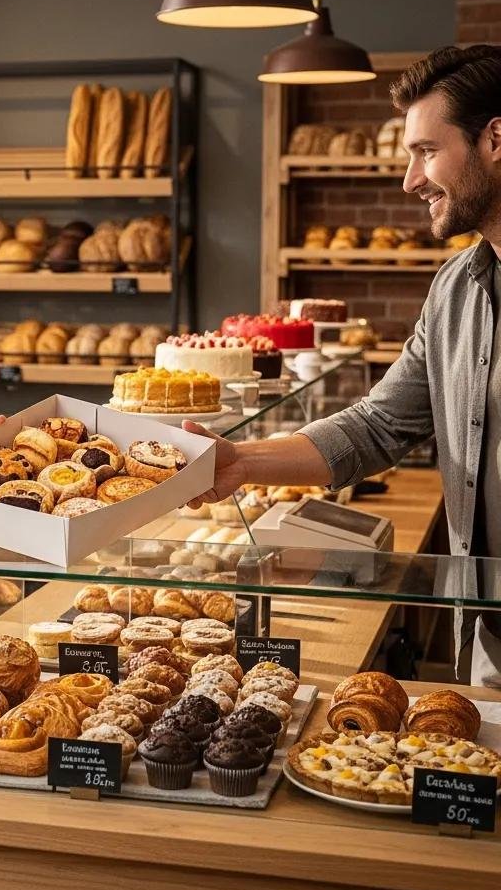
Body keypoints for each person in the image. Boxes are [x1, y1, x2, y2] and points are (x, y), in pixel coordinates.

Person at [184, 44, 501, 684]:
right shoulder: (456, 289)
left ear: (496, 138)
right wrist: (239, 462)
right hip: (491, 635)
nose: (411, 182)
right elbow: (377, 426)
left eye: (426, 152)